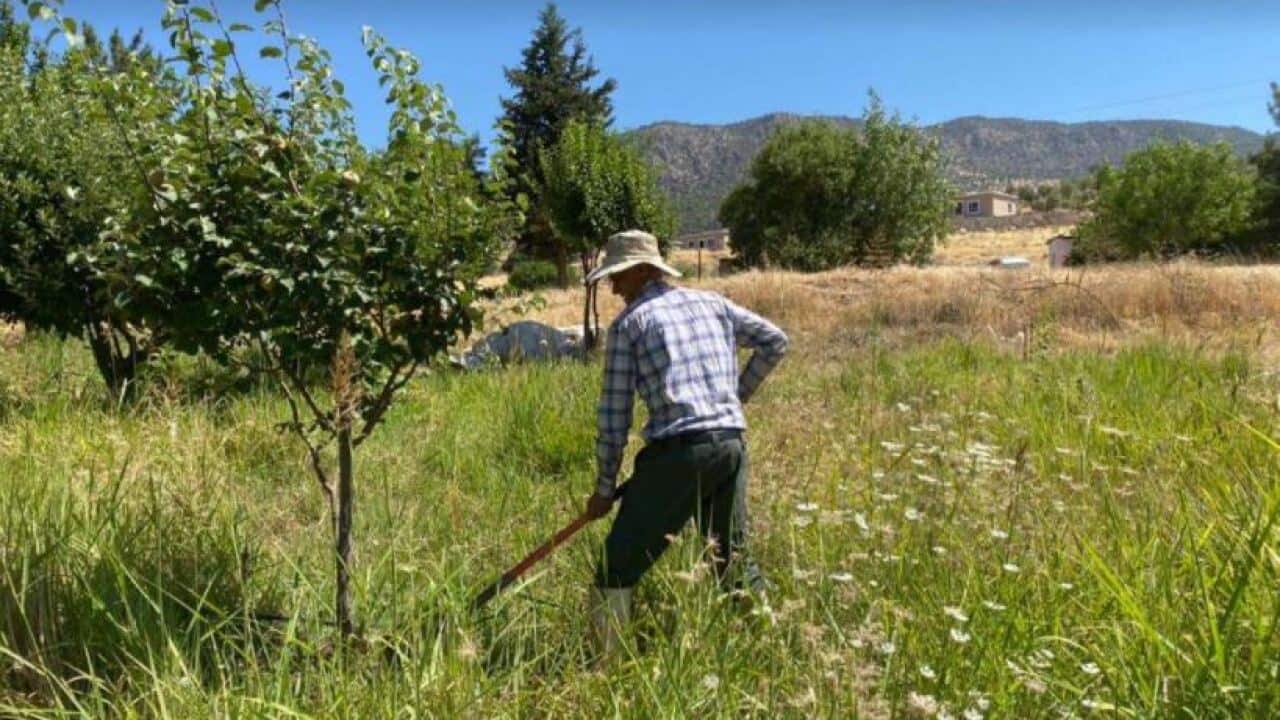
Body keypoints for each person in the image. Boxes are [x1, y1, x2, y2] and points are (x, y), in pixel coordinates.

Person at [582, 229, 789, 654]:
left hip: (677, 455)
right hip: (730, 446)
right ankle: (775, 654)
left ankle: (603, 667)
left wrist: (604, 489)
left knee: (615, 567)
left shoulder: (630, 326)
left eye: (618, 276)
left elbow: (614, 418)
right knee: (732, 559)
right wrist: (733, 399)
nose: (613, 287)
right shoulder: (713, 304)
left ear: (643, 270)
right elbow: (775, 341)